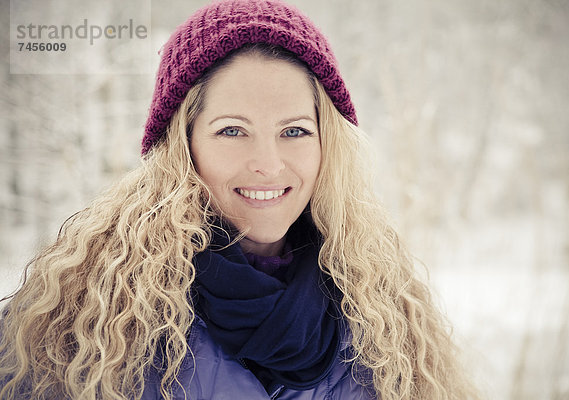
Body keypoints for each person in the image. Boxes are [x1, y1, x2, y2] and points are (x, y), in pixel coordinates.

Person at [0, 0, 478, 399]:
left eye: (294, 131)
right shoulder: (78, 319)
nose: (268, 164)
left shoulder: (388, 316)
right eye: (232, 130)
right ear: (183, 146)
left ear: (325, 144)